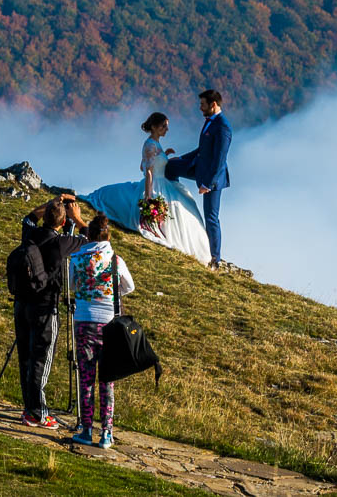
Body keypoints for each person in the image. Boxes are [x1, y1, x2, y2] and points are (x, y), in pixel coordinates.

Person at [81, 112, 211, 264]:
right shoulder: (150, 145)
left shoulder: (156, 144)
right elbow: (147, 170)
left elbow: (151, 163)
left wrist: (165, 154)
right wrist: (148, 196)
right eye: (163, 126)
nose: (166, 130)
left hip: (163, 182)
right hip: (155, 184)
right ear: (154, 127)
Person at [15, 193, 89, 429]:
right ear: (62, 222)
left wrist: (50, 205)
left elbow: (27, 219)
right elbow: (90, 238)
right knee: (41, 359)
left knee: (26, 358)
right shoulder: (61, 243)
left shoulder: (32, 235)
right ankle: (39, 413)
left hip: (22, 304)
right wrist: (78, 219)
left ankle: (30, 409)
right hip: (46, 307)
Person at [69, 213, 135, 449]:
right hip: (108, 323)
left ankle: (86, 429)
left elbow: (72, 286)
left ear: (89, 235)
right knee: (107, 380)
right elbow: (129, 286)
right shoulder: (115, 259)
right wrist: (110, 294)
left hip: (84, 320)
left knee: (86, 377)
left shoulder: (76, 258)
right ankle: (106, 432)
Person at [164, 89, 232, 270]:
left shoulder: (223, 127)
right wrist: (182, 158)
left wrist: (207, 184)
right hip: (197, 166)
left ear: (213, 105)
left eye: (203, 104)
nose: (200, 108)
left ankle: (215, 259)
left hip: (212, 178)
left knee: (211, 217)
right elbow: (201, 149)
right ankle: (174, 206)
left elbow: (220, 159)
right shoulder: (210, 122)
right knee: (170, 167)